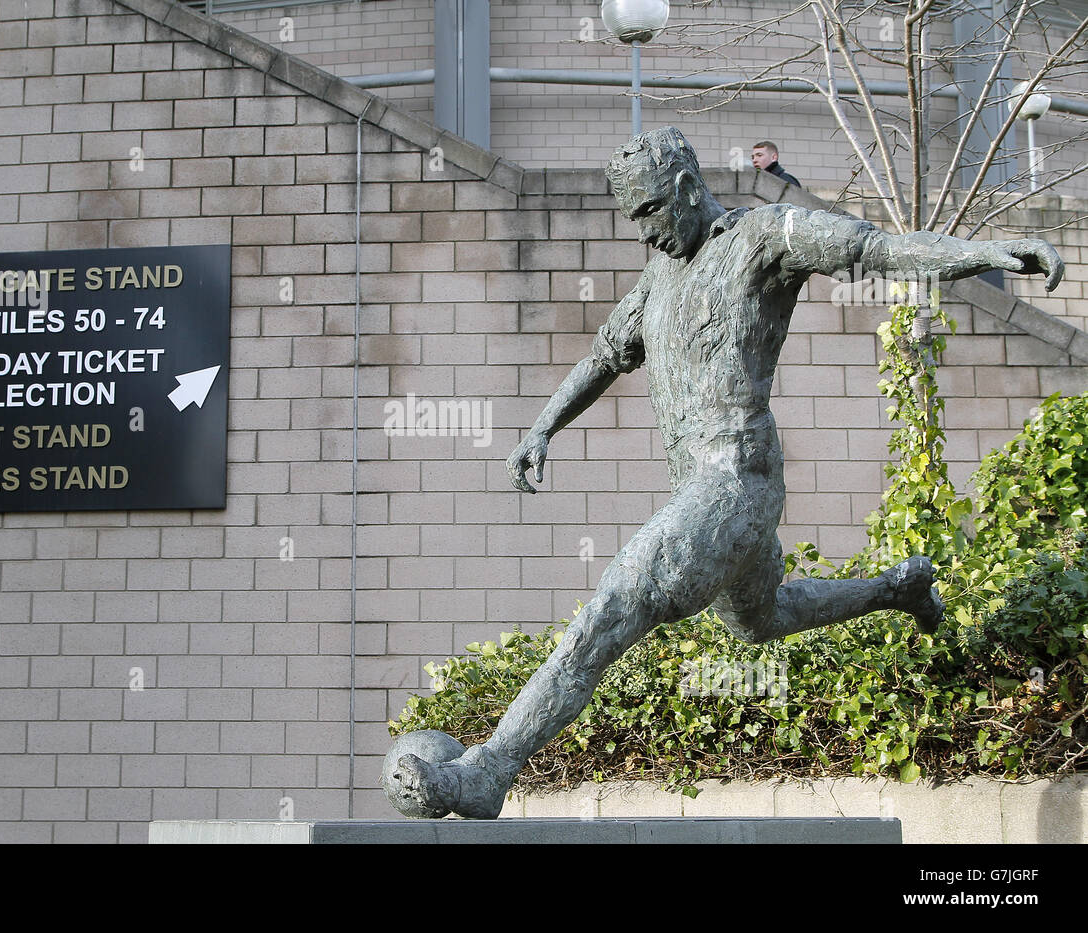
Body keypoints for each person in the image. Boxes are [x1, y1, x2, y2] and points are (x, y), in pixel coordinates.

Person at [388, 126, 1063, 820]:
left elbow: (873, 249)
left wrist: (985, 254)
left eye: (651, 213)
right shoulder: (658, 278)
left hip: (735, 476)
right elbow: (604, 355)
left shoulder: (766, 237)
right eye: (636, 221)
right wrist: (543, 426)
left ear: (684, 191)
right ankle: (897, 589)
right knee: (760, 619)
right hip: (707, 493)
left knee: (615, 603)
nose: (646, 235)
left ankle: (490, 767)